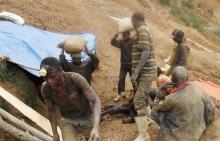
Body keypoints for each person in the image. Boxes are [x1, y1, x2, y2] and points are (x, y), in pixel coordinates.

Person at [40, 57, 101, 141]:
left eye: (52, 77)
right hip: (68, 121)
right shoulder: (46, 89)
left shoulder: (75, 79)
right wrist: (55, 133)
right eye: (45, 78)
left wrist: (95, 128)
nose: (49, 81)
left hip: (87, 117)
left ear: (61, 71)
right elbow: (51, 111)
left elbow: (95, 101)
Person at [151, 66, 215, 141]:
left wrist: (160, 93)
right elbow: (211, 107)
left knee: (156, 111)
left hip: (181, 137)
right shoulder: (196, 87)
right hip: (198, 129)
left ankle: (168, 133)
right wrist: (206, 121)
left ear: (172, 81)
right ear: (187, 78)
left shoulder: (171, 99)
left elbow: (156, 108)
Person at [131, 11, 157, 141]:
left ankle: (144, 135)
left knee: (138, 100)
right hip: (145, 72)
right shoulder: (141, 31)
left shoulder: (142, 30)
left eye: (132, 21)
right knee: (144, 97)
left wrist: (136, 71)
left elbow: (146, 52)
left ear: (134, 20)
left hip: (146, 72)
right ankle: (149, 119)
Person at [110, 31, 133, 102]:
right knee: (121, 79)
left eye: (126, 34)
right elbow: (113, 42)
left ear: (129, 34)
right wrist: (116, 34)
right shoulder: (121, 42)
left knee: (134, 80)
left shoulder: (133, 41)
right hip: (123, 65)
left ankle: (136, 93)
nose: (124, 36)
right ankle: (121, 93)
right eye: (123, 35)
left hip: (132, 64)